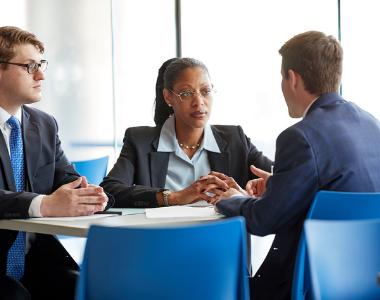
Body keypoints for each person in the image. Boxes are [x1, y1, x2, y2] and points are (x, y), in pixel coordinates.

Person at [215, 30, 380, 300]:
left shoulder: (299, 136)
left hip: (312, 282)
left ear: (293, 78)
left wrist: (231, 198)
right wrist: (278, 186)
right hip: (369, 278)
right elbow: (342, 192)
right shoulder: (372, 124)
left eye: (282, 76)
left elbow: (262, 221)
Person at [0, 26, 114, 300]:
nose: (41, 75)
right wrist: (43, 204)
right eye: (30, 66)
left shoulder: (43, 124)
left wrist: (87, 196)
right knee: (12, 295)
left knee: (83, 286)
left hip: (34, 258)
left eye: (41, 65)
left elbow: (66, 179)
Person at [100, 57, 272, 208]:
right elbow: (110, 190)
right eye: (186, 93)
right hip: (162, 238)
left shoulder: (235, 138)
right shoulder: (140, 141)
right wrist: (175, 197)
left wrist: (249, 193)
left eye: (205, 91)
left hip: (220, 238)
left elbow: (280, 175)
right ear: (168, 97)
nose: (199, 102)